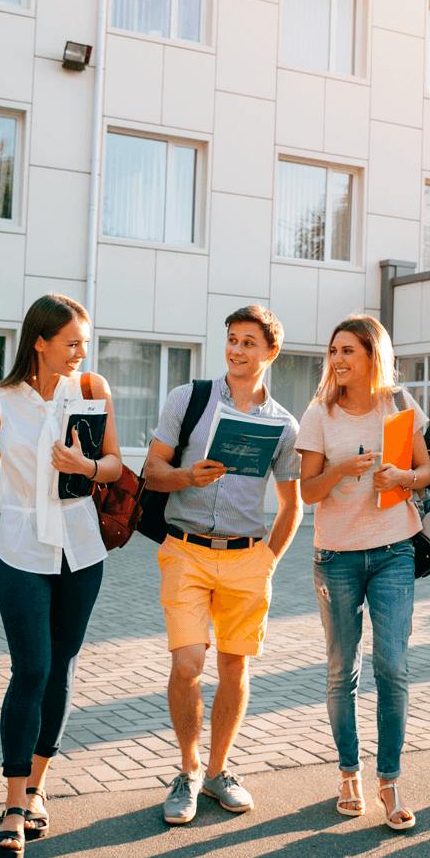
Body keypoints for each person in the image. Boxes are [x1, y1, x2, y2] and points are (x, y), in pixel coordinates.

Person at [0, 294, 123, 858]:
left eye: (85, 344)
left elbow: (115, 464)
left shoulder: (93, 391)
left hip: (82, 548)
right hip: (20, 547)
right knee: (32, 668)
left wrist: (85, 468)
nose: (80, 353)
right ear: (39, 341)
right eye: (72, 343)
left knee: (62, 667)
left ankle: (38, 786)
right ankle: (13, 803)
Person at [143, 305, 302, 825]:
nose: (236, 350)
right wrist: (189, 477)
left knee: (235, 667)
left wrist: (268, 561)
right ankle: (187, 772)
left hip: (245, 559)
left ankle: (218, 771)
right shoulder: (187, 399)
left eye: (248, 342)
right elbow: (152, 471)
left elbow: (292, 503)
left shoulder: (282, 424)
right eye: (232, 340)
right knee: (187, 663)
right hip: (185, 550)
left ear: (270, 352)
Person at [295, 315, 430, 830]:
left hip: (394, 549)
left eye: (348, 350)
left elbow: (426, 471)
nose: (338, 360)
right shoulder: (319, 414)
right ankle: (349, 771)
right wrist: (342, 471)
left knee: (392, 666)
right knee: (341, 669)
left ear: (373, 355)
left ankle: (390, 779)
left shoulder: (398, 405)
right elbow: (306, 491)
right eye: (333, 351)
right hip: (337, 556)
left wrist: (403, 477)